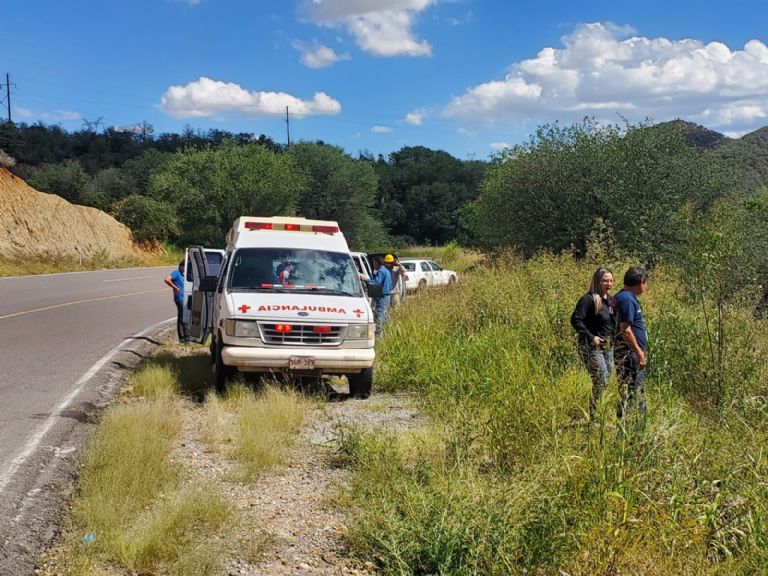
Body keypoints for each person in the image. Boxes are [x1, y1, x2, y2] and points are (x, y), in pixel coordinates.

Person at [571, 268, 615, 418]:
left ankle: (597, 413)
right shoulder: (589, 299)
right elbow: (576, 319)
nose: (608, 283)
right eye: (605, 280)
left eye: (610, 280)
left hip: (608, 347)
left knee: (605, 380)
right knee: (601, 379)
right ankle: (594, 415)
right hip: (591, 347)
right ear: (597, 281)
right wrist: (591, 337)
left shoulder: (610, 300)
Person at [612, 267, 649, 418]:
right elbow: (625, 329)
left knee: (628, 389)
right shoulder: (627, 299)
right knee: (634, 390)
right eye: (645, 283)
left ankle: (626, 423)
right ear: (641, 283)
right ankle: (636, 426)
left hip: (627, 353)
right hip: (629, 354)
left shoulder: (623, 296)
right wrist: (639, 352)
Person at [164, 260, 190, 344]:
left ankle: (183, 338)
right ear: (181, 266)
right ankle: (186, 338)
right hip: (180, 298)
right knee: (183, 318)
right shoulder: (176, 273)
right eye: (185, 266)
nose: (186, 268)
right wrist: (175, 288)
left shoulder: (185, 275)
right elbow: (167, 279)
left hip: (185, 298)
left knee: (181, 317)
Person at [366, 256, 392, 336]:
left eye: (374, 263)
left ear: (377, 263)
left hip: (382, 295)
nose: (373, 265)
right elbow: (390, 284)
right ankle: (387, 333)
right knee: (385, 314)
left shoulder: (381, 271)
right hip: (387, 295)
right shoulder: (386, 270)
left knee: (379, 314)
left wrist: (366, 279)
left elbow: (376, 282)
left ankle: (378, 335)